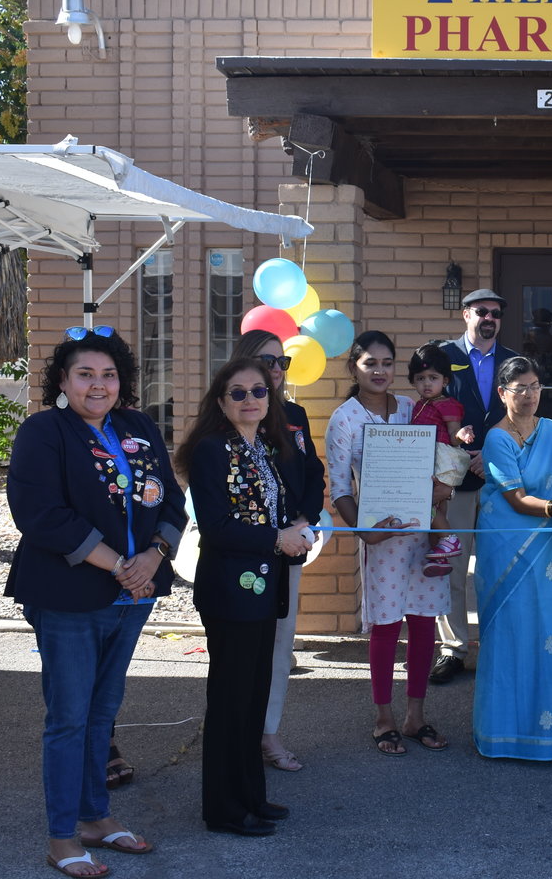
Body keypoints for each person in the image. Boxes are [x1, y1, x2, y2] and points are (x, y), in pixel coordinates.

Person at [8, 326, 187, 877]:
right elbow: (40, 514)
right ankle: (62, 835)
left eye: (108, 375)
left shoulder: (137, 426)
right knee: (69, 716)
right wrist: (121, 566)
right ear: (62, 380)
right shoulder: (44, 431)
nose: (98, 384)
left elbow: (174, 502)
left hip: (136, 595)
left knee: (102, 714)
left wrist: (154, 558)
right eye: (84, 374)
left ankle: (95, 819)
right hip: (70, 595)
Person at [179, 358, 309, 837]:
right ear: (220, 402)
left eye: (258, 390)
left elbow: (277, 507)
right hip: (230, 594)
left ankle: (252, 796)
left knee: (253, 700)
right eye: (237, 393)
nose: (250, 399)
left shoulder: (264, 448)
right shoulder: (213, 450)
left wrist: (295, 523)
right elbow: (215, 526)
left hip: (262, 591)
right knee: (231, 701)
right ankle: (224, 809)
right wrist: (276, 539)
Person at [327, 331, 451, 755]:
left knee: (423, 623)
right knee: (385, 626)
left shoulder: (411, 407)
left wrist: (443, 490)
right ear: (354, 368)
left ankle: (415, 715)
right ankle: (383, 717)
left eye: (386, 363)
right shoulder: (344, 418)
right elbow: (340, 488)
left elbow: (439, 457)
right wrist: (363, 530)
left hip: (422, 533)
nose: (379, 371)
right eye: (369, 363)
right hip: (381, 538)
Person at [473, 356, 552, 760]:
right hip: (506, 547)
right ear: (502, 393)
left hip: (549, 553)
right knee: (512, 635)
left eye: (535, 386)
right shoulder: (497, 439)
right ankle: (505, 734)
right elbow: (517, 498)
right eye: (519, 388)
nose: (529, 396)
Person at [230, 330, 328, 771]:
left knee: (280, 643)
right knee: (243, 649)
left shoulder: (294, 414)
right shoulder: (231, 410)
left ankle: (269, 733)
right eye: (267, 361)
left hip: (291, 545)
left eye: (281, 362)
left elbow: (312, 472)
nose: (275, 370)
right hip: (243, 553)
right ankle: (238, 736)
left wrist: (305, 520)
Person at [431, 288, 519, 684]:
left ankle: (499, 645)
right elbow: (428, 407)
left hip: (499, 478)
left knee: (498, 566)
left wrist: (493, 455)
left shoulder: (514, 362)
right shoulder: (442, 357)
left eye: (496, 314)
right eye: (482, 311)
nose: (489, 318)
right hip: (453, 479)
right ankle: (453, 648)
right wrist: (458, 450)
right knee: (452, 566)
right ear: (466, 314)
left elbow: (526, 414)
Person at [408, 341, 475, 577]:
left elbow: (454, 436)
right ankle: (441, 553)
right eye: (420, 378)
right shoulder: (420, 404)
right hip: (427, 459)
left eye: (433, 377)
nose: (427, 383)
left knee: (425, 505)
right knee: (438, 510)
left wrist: (462, 434)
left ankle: (449, 539)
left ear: (445, 381)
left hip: (441, 460)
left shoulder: (447, 404)